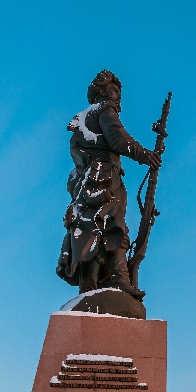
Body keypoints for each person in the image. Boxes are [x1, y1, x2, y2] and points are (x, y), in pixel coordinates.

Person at [57, 69, 161, 298]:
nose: (118, 96)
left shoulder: (84, 118)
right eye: (114, 90)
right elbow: (117, 138)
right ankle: (120, 279)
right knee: (112, 226)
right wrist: (145, 155)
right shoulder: (104, 110)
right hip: (103, 177)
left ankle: (89, 288)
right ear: (102, 92)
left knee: (91, 230)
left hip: (89, 181)